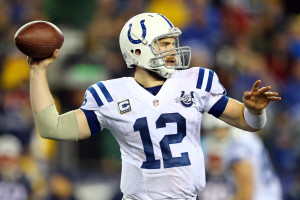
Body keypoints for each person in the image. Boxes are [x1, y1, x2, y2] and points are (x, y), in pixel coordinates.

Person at [27, 13, 281, 200]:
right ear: (137, 49)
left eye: (173, 43)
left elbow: (248, 123)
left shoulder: (195, 81)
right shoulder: (110, 94)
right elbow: (53, 127)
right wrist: (38, 72)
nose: (173, 50)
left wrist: (256, 110)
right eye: (165, 43)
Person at [199, 113, 282, 200]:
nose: (217, 135)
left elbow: (245, 195)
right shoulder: (245, 138)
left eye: (220, 130)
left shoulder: (238, 145)